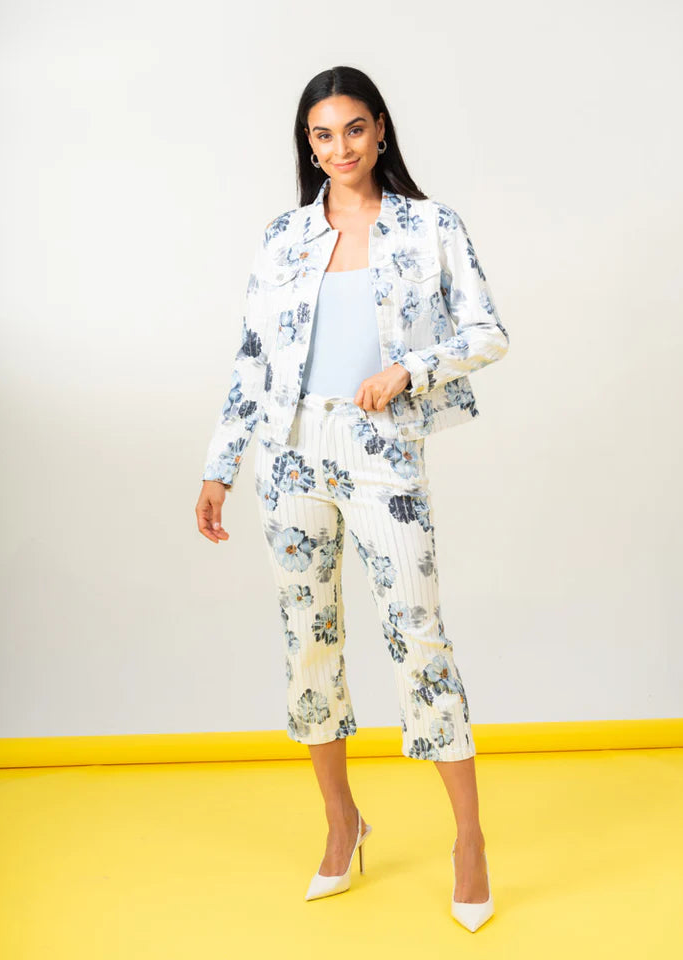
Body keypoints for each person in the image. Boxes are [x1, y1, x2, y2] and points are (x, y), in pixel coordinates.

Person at [195, 65, 509, 933]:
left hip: (381, 451)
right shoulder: (284, 236)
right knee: (309, 644)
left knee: (419, 637)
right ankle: (342, 824)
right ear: (310, 143)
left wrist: (411, 368)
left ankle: (470, 841)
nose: (340, 149)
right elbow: (252, 357)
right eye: (322, 135)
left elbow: (487, 330)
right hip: (289, 455)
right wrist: (220, 465)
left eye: (355, 130)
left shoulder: (430, 226)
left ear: (381, 131)